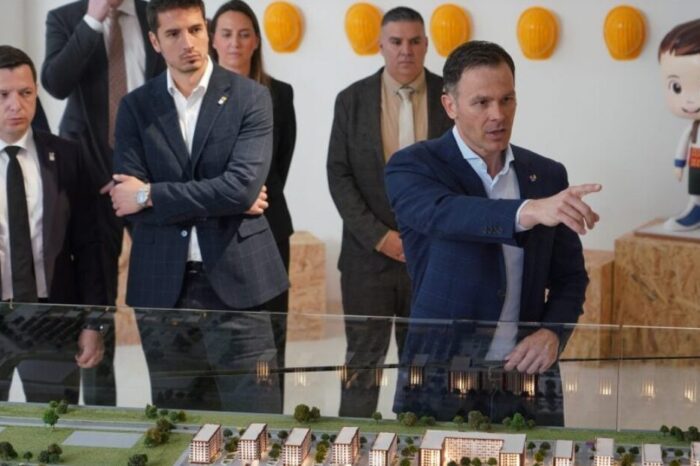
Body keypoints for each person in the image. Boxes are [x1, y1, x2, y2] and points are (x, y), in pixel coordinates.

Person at [385, 40, 601, 423]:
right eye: (481, 102)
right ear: (450, 105)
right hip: (440, 375)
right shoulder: (413, 166)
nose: (498, 115)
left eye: (507, 100)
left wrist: (552, 333)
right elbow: (447, 214)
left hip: (526, 376)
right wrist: (527, 211)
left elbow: (570, 278)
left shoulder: (547, 175)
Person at [110, 0, 288, 411]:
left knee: (254, 421)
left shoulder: (251, 97)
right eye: (173, 33)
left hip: (237, 281)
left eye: (194, 29)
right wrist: (224, 198)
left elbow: (241, 188)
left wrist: (150, 194)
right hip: (161, 286)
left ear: (206, 30)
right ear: (155, 41)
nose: (187, 42)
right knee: (178, 423)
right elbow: (125, 198)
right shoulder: (136, 107)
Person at [327, 6, 452, 417]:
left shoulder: (450, 97)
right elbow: (339, 176)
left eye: (415, 41)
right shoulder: (351, 100)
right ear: (380, 45)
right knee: (363, 363)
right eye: (396, 42)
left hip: (432, 258)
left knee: (425, 366)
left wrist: (428, 236)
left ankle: (420, 442)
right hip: (367, 260)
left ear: (427, 45)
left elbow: (462, 175)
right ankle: (352, 440)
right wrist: (380, 237)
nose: (405, 51)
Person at [41, 0, 166, 306]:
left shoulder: (155, 13)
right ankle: (98, 338)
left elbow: (170, 101)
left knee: (160, 286)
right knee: (96, 290)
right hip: (90, 177)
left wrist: (139, 171)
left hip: (148, 178)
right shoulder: (65, 18)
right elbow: (55, 84)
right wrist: (92, 20)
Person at [0, 45, 106, 402]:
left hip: (52, 317)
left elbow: (89, 247)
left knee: (54, 423)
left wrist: (93, 322)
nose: (16, 105)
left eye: (25, 93)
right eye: (3, 95)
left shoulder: (67, 156)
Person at [210, 0, 297, 384]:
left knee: (272, 336)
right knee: (222, 344)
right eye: (227, 34)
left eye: (244, 34)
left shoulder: (279, 93)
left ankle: (272, 410)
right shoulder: (197, 95)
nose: (235, 43)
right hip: (214, 231)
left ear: (257, 41)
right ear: (212, 40)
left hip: (268, 226)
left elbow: (280, 164)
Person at [659, 19, 700, 231]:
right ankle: (696, 209)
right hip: (696, 163)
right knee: (696, 189)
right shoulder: (692, 130)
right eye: (677, 87)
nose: (690, 100)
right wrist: (678, 165)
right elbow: (683, 146)